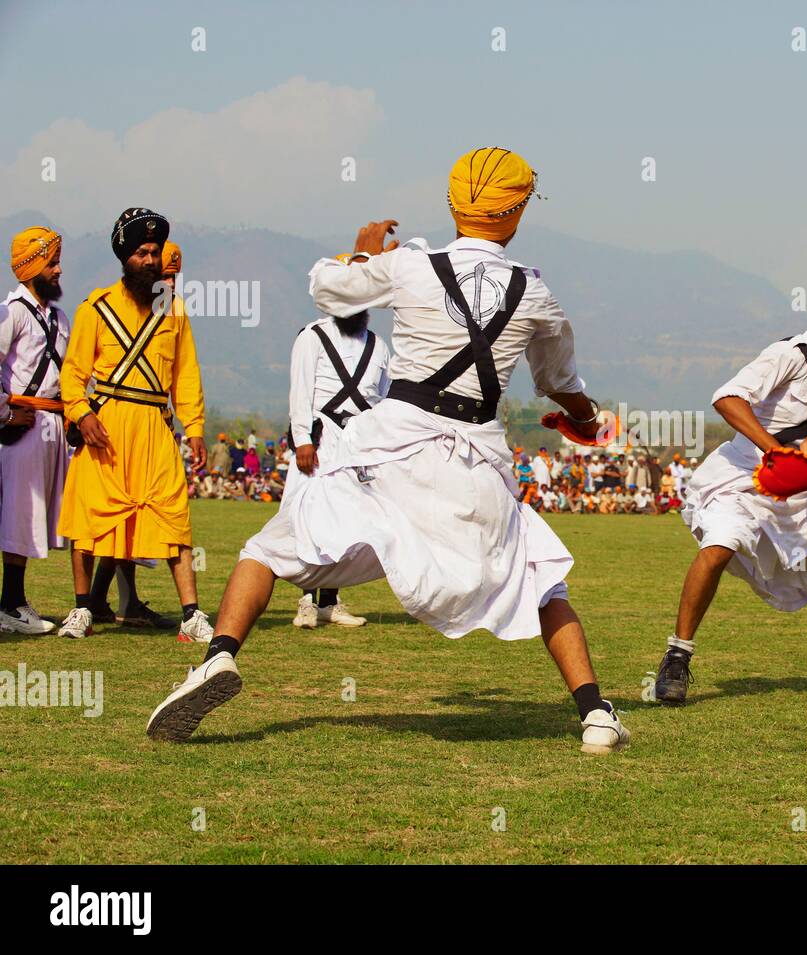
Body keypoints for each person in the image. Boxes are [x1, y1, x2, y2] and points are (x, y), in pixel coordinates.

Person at [146, 147, 630, 753]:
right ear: (519, 211)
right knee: (541, 580)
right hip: (474, 460)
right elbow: (562, 382)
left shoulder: (410, 265)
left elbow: (329, 289)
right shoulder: (534, 292)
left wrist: (364, 253)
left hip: (391, 446)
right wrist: (582, 420)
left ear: (453, 204)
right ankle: (596, 715)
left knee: (265, 550)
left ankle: (217, 659)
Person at [654, 261, 807, 704]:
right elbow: (727, 398)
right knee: (720, 544)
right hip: (741, 480)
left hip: (799, 503)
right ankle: (677, 657)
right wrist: (775, 448)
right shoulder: (793, 353)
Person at [56, 210, 214, 642]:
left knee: (174, 515)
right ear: (124, 258)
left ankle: (191, 616)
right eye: (142, 253)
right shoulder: (95, 307)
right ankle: (82, 610)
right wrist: (82, 414)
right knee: (90, 518)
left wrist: (195, 426)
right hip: (104, 429)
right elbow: (72, 375)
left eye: (155, 252)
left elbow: (186, 375)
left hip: (156, 429)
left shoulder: (174, 310)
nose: (150, 260)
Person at [286, 299, 391, 630]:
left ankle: (329, 602)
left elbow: (383, 398)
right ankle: (306, 601)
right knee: (309, 520)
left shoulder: (378, 345)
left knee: (345, 522)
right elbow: (300, 390)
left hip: (356, 443)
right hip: (319, 439)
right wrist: (302, 438)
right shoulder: (312, 336)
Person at [0, 227, 70, 634]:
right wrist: (5, 415)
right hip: (22, 425)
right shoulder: (11, 313)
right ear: (31, 268)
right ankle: (10, 603)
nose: (59, 270)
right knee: (19, 515)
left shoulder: (57, 317)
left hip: (53, 424)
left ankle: (14, 601)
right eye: (52, 263)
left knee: (36, 515)